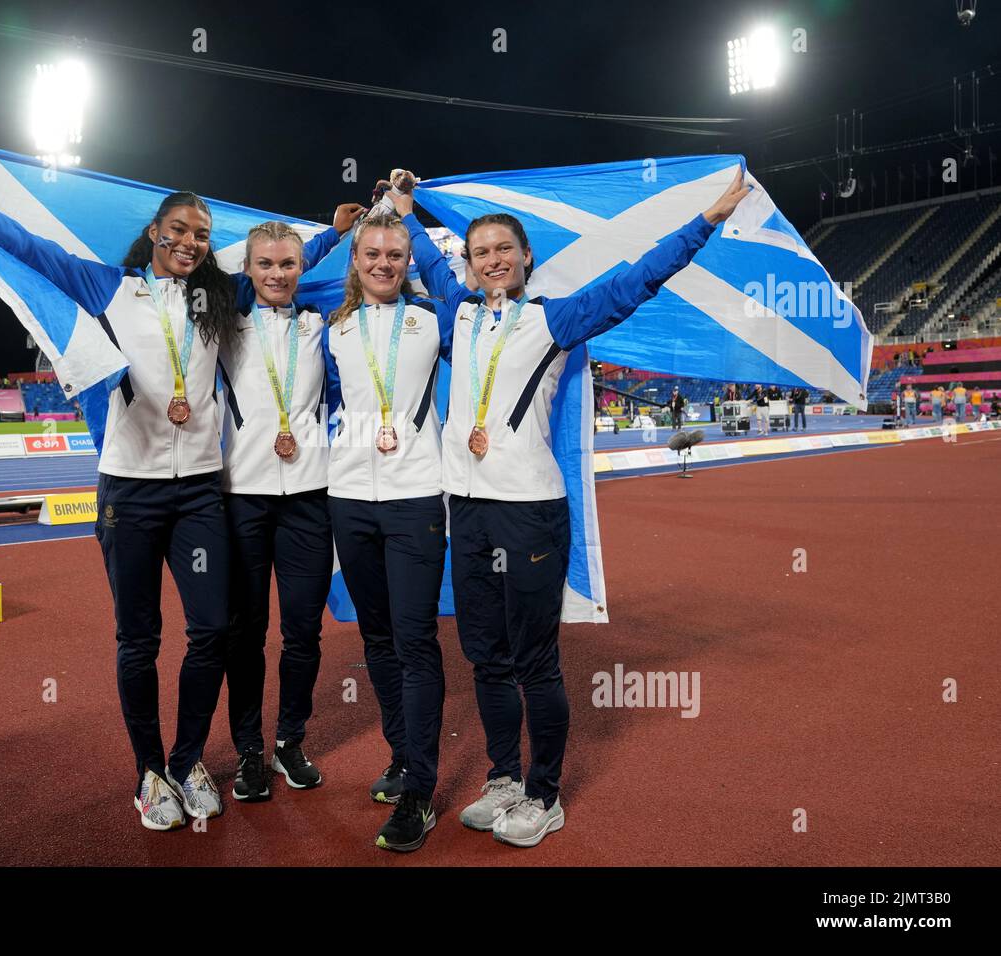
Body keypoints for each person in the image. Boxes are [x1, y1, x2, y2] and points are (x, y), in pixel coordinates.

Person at [0, 130, 271, 832]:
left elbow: (292, 264)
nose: (192, 242)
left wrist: (366, 226)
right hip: (129, 491)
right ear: (155, 232)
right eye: (180, 230)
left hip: (198, 491)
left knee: (212, 628)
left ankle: (188, 759)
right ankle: (148, 773)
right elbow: (13, 239)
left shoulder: (222, 298)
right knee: (138, 639)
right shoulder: (107, 286)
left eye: (203, 234)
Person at [392, 165, 748, 848]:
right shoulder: (456, 309)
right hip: (464, 508)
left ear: (526, 258)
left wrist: (706, 222)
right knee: (485, 658)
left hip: (527, 512)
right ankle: (502, 780)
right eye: (480, 252)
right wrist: (406, 211)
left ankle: (545, 792)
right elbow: (429, 260)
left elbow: (637, 279)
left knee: (534, 662)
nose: (491, 260)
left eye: (504, 250)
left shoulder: (556, 318)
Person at [216, 209, 366, 804]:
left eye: (287, 264)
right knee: (244, 632)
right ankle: (249, 749)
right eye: (265, 264)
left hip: (308, 496)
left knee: (303, 631)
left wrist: (336, 236)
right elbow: (206, 275)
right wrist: (328, 232)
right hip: (242, 497)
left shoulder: (317, 323)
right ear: (247, 269)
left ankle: (289, 741)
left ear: (303, 268)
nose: (277, 274)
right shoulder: (227, 319)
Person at [320, 211, 453, 852]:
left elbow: (453, 284)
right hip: (349, 497)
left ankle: (421, 793)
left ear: (407, 260)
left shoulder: (433, 320)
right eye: (370, 253)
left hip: (415, 496)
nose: (382, 262)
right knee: (376, 637)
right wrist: (327, 229)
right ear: (354, 260)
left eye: (394, 254)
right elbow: (257, 287)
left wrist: (411, 220)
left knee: (415, 639)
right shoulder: (335, 327)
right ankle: (402, 756)